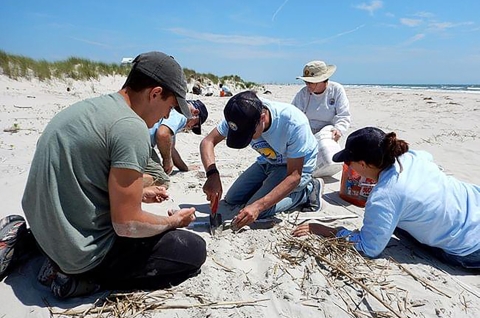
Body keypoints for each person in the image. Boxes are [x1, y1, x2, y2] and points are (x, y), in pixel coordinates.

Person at [1, 51, 207, 297]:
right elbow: (127, 224)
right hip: (78, 252)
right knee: (194, 250)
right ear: (155, 94)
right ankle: (70, 276)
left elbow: (83, 177)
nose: (165, 116)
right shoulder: (131, 127)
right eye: (170, 107)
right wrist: (174, 222)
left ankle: (29, 242)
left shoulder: (89, 108)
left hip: (42, 224)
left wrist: (138, 192)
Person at [293, 127, 480, 269]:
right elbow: (428, 156)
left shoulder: (383, 196)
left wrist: (328, 230)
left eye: (349, 162)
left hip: (469, 247)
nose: (349, 167)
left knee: (398, 227)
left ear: (363, 164)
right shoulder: (412, 157)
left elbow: (369, 247)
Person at [200, 90, 322, 230]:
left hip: (296, 166)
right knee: (232, 199)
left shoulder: (293, 123)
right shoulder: (241, 112)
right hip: (268, 161)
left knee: (260, 210)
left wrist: (258, 206)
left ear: (262, 118)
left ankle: (307, 191)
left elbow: (294, 177)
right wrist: (212, 174)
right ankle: (264, 190)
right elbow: (207, 142)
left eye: (248, 134)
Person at [144, 99, 209, 188]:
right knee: (161, 180)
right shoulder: (183, 115)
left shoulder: (173, 113)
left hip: (139, 139)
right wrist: (167, 160)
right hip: (140, 142)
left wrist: (185, 168)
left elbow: (171, 149)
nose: (190, 127)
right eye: (195, 125)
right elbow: (163, 134)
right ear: (195, 113)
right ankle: (123, 184)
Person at [292, 60, 351, 142]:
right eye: (306, 82)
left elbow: (343, 115)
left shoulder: (336, 90)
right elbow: (293, 115)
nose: (307, 85)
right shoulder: (303, 93)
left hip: (328, 131)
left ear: (323, 80)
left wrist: (339, 129)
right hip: (307, 130)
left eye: (311, 82)